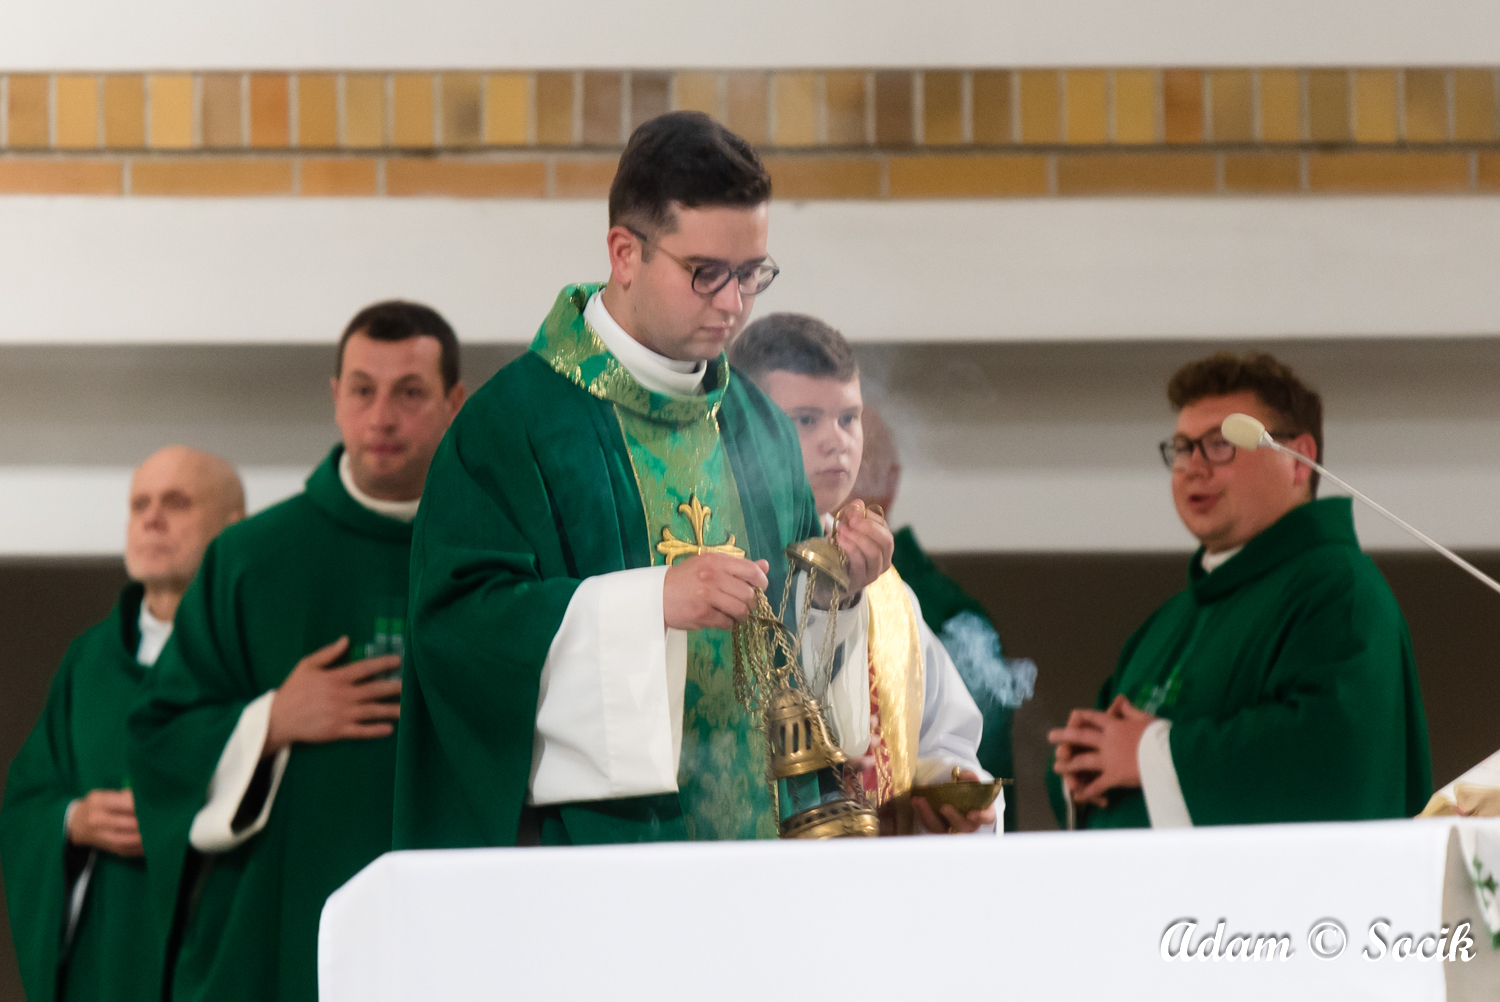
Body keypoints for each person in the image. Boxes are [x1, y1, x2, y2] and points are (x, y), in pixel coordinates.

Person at [392, 111, 894, 849]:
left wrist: (836, 588)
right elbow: (460, 636)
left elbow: (790, 664)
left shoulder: (757, 426)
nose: (734, 303)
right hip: (602, 854)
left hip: (758, 849)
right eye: (706, 274)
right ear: (624, 254)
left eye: (751, 274)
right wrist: (649, 603)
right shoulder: (514, 426)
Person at [127, 302, 465, 1002]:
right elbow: (161, 741)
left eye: (409, 393)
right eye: (362, 390)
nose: (381, 417)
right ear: (334, 397)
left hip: (448, 916)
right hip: (278, 930)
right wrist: (271, 721)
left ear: (453, 402)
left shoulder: (491, 553)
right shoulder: (250, 559)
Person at [1046, 351, 1431, 828]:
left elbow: (1328, 759)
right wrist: (1078, 761)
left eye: (1219, 444)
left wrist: (1148, 753)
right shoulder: (1168, 621)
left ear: (1298, 460)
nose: (1193, 467)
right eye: (1182, 447)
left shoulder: (1338, 591)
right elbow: (1108, 748)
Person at [730, 312, 1000, 835]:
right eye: (806, 420)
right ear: (742, 426)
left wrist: (950, 790)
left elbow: (945, 740)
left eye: (848, 418)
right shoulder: (713, 566)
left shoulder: (889, 596)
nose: (837, 441)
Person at [1, 447, 243, 1002]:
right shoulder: (89, 662)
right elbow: (26, 803)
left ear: (234, 528)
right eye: (140, 505)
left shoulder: (255, 653)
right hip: (107, 956)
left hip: (218, 942)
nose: (152, 519)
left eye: (177, 503)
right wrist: (74, 820)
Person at [847, 400, 1033, 832]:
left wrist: (954, 789)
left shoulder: (931, 612)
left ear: (890, 483)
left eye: (855, 468)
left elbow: (969, 768)